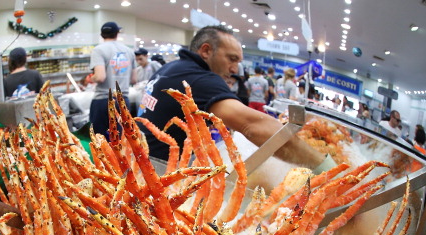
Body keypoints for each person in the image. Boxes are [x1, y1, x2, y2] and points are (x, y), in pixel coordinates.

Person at [138, 25, 324, 168]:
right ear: (206, 51)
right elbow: (253, 126)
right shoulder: (201, 79)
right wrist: (324, 166)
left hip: (137, 164)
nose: (235, 69)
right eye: (231, 59)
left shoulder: (171, 68)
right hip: (154, 175)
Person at [89, 21, 137, 137]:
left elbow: (100, 77)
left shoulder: (98, 50)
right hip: (123, 100)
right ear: (117, 33)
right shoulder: (129, 51)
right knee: (122, 139)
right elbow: (134, 79)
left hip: (103, 100)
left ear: (102, 35)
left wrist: (92, 78)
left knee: (100, 140)